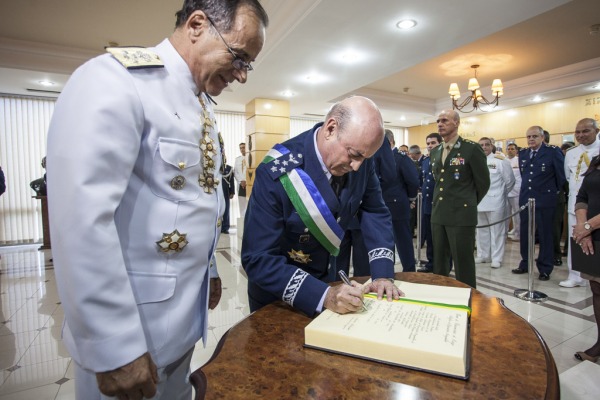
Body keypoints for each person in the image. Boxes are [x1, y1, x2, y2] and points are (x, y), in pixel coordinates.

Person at [46, 1, 268, 398]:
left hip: (179, 326)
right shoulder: (116, 80)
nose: (242, 75)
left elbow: (195, 200)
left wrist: (211, 273)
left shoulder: (199, 102)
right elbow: (81, 221)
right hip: (132, 336)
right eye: (238, 57)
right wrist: (114, 347)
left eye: (247, 64)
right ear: (198, 25)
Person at [241, 96, 403, 316]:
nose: (357, 166)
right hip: (281, 296)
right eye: (354, 155)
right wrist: (322, 295)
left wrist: (382, 274)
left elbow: (374, 209)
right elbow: (258, 258)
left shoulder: (361, 157)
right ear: (331, 129)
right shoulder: (277, 171)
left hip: (334, 285)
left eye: (365, 158)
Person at [337, 130, 419, 276]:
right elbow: (388, 174)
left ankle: (338, 288)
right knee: (362, 260)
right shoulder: (378, 144)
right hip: (366, 209)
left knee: (342, 259)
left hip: (345, 208)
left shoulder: (339, 137)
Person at [429, 110, 490, 288]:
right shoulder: (436, 151)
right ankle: (441, 296)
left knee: (463, 264)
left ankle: (468, 298)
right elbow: (438, 181)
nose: (440, 124)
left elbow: (483, 183)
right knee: (439, 263)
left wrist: (467, 204)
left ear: (456, 123)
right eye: (438, 121)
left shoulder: (470, 148)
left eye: (445, 120)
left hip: (461, 215)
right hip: (439, 213)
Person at [512, 126, 565, 281]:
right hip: (526, 199)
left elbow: (560, 177)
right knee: (525, 233)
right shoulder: (523, 153)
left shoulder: (552, 152)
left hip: (545, 200)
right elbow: (525, 176)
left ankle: (545, 267)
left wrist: (552, 194)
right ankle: (525, 262)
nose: (531, 139)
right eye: (528, 137)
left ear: (542, 137)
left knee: (545, 234)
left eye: (534, 136)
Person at [560, 118, 599, 288]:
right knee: (575, 238)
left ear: (596, 131)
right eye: (578, 132)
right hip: (577, 205)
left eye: (585, 131)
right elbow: (569, 178)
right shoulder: (571, 152)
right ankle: (575, 275)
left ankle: (593, 275)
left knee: (595, 242)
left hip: (597, 206)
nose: (581, 135)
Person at [571, 155, 600, 362]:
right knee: (597, 289)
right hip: (593, 236)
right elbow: (582, 196)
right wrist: (584, 227)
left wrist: (587, 227)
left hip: (592, 229)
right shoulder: (597, 161)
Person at [475, 137, 515, 268]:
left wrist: (501, 195)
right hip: (479, 201)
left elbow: (510, 181)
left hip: (496, 201)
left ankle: (496, 258)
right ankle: (483, 255)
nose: (484, 147)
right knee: (481, 231)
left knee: (497, 231)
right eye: (481, 145)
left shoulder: (500, 161)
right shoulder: (475, 161)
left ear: (492, 146)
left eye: (487, 145)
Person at [417, 133, 442, 273]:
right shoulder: (426, 161)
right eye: (428, 143)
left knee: (441, 239)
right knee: (430, 238)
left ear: (440, 143)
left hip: (439, 205)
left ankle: (442, 265)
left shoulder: (444, 159)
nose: (430, 146)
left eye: (433, 143)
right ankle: (431, 263)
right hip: (427, 204)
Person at [506, 143, 521, 241]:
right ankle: (504, 233)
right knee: (505, 215)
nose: (510, 150)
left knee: (517, 214)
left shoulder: (519, 161)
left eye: (512, 149)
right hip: (505, 192)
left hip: (516, 191)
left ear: (516, 150)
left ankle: (518, 233)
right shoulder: (503, 161)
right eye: (509, 149)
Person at [234, 142, 248, 217]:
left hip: (248, 184)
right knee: (241, 204)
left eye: (243, 147)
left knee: (249, 203)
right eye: (241, 148)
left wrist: (245, 181)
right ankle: (242, 220)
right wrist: (241, 181)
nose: (242, 149)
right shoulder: (237, 159)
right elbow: (235, 172)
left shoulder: (250, 158)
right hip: (240, 185)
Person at [221, 163, 235, 234]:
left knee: (226, 208)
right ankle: (218, 227)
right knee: (218, 210)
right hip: (216, 191)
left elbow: (231, 180)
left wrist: (232, 192)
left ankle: (225, 227)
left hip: (226, 190)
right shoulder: (214, 167)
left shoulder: (229, 168)